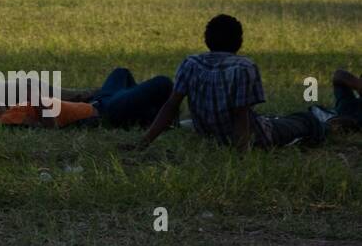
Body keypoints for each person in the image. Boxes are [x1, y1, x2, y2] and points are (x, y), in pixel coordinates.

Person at [130, 14, 328, 151]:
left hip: (208, 133)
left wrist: (143, 142)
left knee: (274, 119)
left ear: (206, 39)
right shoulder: (244, 67)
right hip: (254, 135)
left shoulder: (191, 63)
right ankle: (326, 120)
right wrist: (242, 155)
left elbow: (171, 106)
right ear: (239, 42)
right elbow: (241, 116)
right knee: (304, 122)